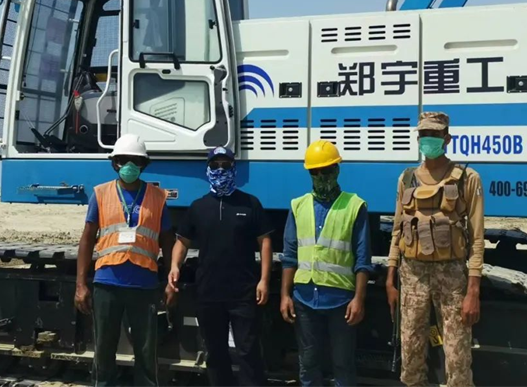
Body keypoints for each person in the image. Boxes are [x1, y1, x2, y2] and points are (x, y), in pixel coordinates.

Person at [386, 112, 484, 387]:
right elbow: (397, 230)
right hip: (412, 275)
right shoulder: (406, 179)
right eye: (423, 135)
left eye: (434, 135)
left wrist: (473, 291)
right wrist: (390, 276)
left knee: (457, 358)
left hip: (451, 275)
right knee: (411, 354)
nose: (428, 140)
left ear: (447, 138)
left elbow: (477, 238)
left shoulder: (467, 178)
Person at [167, 147, 273, 387]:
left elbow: (265, 242)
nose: (220, 170)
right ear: (207, 169)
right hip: (209, 294)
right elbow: (181, 242)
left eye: (226, 165)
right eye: (215, 166)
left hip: (244, 294)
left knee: (248, 352)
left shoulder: (250, 203)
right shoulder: (198, 207)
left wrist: (264, 280)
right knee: (215, 353)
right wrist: (175, 266)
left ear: (234, 168)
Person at [75, 134, 175, 387]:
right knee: (104, 351)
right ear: (115, 163)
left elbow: (167, 242)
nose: (129, 165)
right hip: (107, 284)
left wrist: (170, 281)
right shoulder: (100, 194)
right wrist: (81, 285)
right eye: (124, 160)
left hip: (144, 285)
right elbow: (87, 239)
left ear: (143, 164)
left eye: (135, 161)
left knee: (145, 352)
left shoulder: (158, 197)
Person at [280, 140, 373, 387]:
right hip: (305, 298)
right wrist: (285, 295)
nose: (321, 176)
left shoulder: (354, 206)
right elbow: (289, 255)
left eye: (327, 170)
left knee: (343, 365)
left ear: (337, 170)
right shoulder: (297, 206)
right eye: (315, 171)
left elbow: (363, 259)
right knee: (308, 364)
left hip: (341, 301)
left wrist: (359, 299)